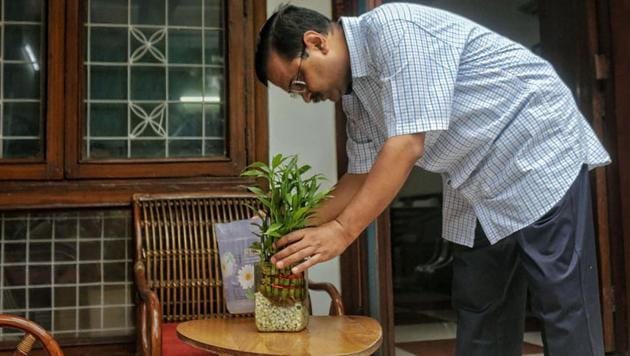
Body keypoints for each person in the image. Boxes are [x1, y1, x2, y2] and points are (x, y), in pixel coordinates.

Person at [254, 3, 610, 356]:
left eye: (299, 81)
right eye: (294, 91)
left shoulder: (393, 30)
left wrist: (343, 231)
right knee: (480, 305)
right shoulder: (355, 98)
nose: (305, 95)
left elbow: (407, 144)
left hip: (535, 148)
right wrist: (292, 228)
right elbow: (359, 176)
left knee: (563, 305)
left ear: (316, 42)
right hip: (474, 180)